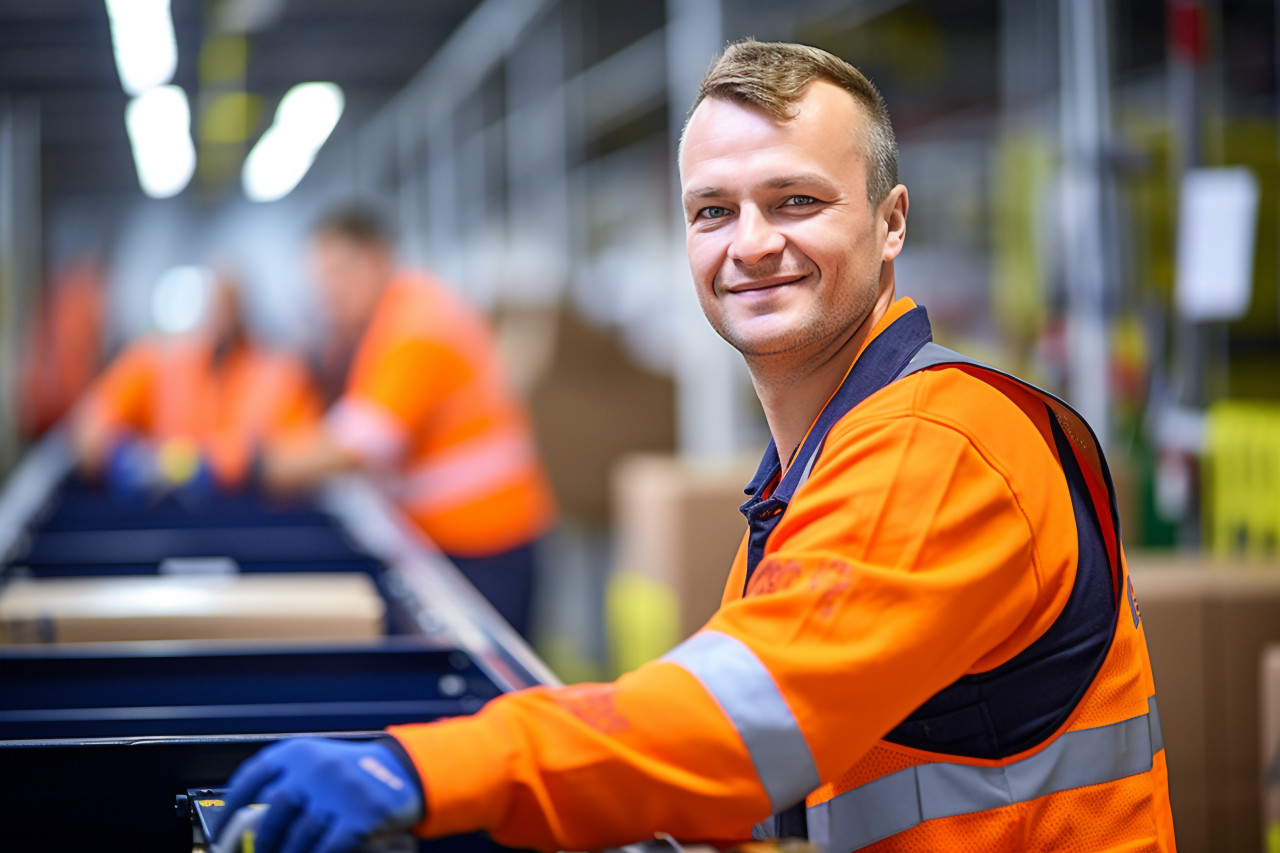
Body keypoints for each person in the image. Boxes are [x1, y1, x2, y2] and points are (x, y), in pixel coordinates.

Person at [216, 40, 1176, 853]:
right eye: (713, 210)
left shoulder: (938, 445)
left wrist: (425, 763)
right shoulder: (816, 463)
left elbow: (728, 726)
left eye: (796, 201)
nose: (750, 244)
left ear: (891, 224)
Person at [256, 209, 556, 638]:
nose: (329, 291)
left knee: (492, 688)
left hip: (484, 542)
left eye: (340, 271)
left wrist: (253, 466)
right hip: (458, 540)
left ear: (378, 260)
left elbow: (362, 440)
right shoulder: (387, 321)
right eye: (320, 276)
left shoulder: (416, 325)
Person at [73, 271, 320, 496]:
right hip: (164, 516)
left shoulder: (282, 375)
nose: (218, 313)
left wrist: (217, 462)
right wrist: (120, 458)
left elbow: (307, 460)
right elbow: (89, 428)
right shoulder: (153, 362)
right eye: (211, 303)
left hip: (252, 520)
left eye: (227, 303)